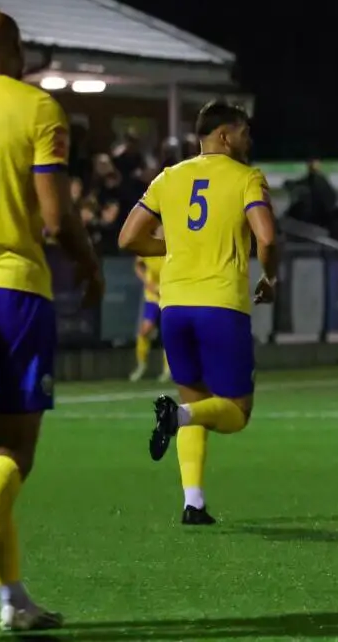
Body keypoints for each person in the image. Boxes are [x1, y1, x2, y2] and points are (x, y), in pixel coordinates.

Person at [0, 9, 103, 638]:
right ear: (16, 50)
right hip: (11, 289)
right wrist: (89, 264)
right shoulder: (37, 108)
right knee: (17, 454)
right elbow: (55, 218)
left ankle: (13, 600)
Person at [118, 100, 278, 526]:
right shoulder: (247, 178)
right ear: (225, 135)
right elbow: (267, 237)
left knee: (195, 398)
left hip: (174, 306)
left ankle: (193, 502)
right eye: (243, 131)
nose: (249, 138)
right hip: (220, 305)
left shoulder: (168, 177)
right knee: (235, 412)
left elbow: (128, 237)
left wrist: (174, 247)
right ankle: (179, 417)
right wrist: (271, 278)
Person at [130, 252, 172, 383]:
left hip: (169, 295)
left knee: (169, 333)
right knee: (145, 330)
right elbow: (138, 266)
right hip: (152, 296)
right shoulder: (148, 245)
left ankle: (168, 369)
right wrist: (147, 282)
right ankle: (141, 364)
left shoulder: (171, 245)